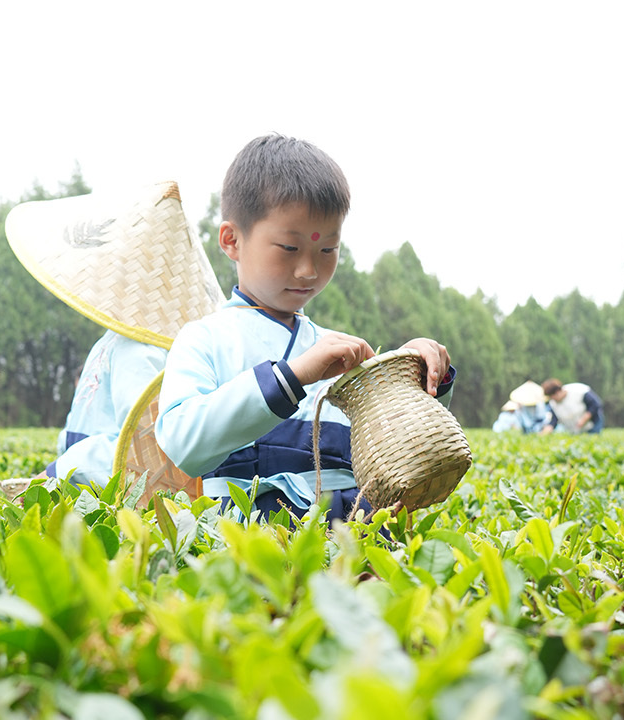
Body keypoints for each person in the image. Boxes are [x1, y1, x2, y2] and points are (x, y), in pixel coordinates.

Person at [154, 134, 453, 521]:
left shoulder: (331, 347)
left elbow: (399, 447)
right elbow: (183, 442)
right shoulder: (205, 339)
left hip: (352, 542)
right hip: (250, 547)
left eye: (327, 249)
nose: (309, 270)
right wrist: (292, 377)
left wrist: (416, 375)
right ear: (232, 240)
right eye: (290, 248)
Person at [5, 180, 225, 490]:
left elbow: (142, 446)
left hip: (103, 491)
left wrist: (64, 467)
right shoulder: (116, 340)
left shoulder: (138, 350)